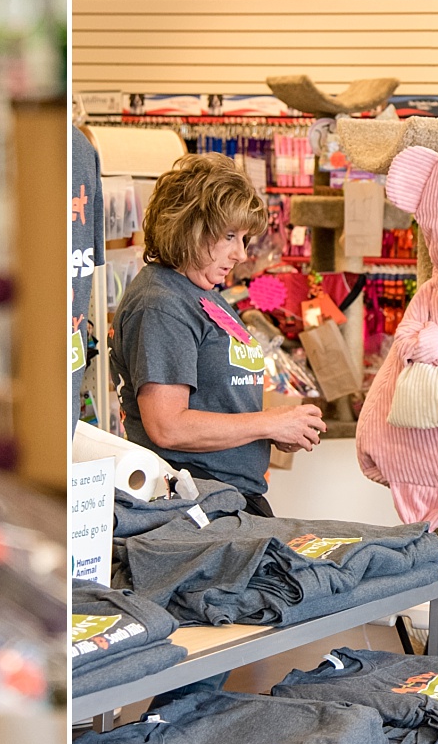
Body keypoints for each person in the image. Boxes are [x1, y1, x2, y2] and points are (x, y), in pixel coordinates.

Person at [111, 153, 325, 516]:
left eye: (243, 238)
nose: (241, 253)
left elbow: (216, 399)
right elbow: (168, 426)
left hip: (229, 499)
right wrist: (270, 422)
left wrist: (273, 430)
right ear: (189, 227)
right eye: (229, 236)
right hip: (195, 505)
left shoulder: (201, 291)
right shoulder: (161, 304)